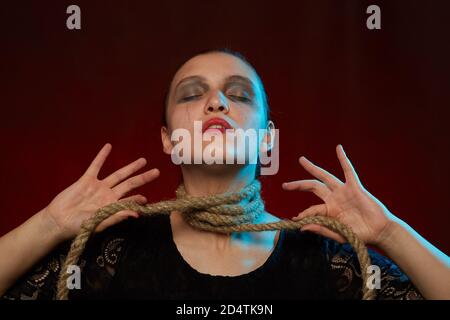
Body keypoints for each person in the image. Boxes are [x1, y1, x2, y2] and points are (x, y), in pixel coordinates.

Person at [0, 49, 448, 300]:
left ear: (267, 140)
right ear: (167, 139)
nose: (216, 103)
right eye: (193, 94)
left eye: (238, 95)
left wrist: (390, 233)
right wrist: (51, 225)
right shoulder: (114, 255)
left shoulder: (326, 261)